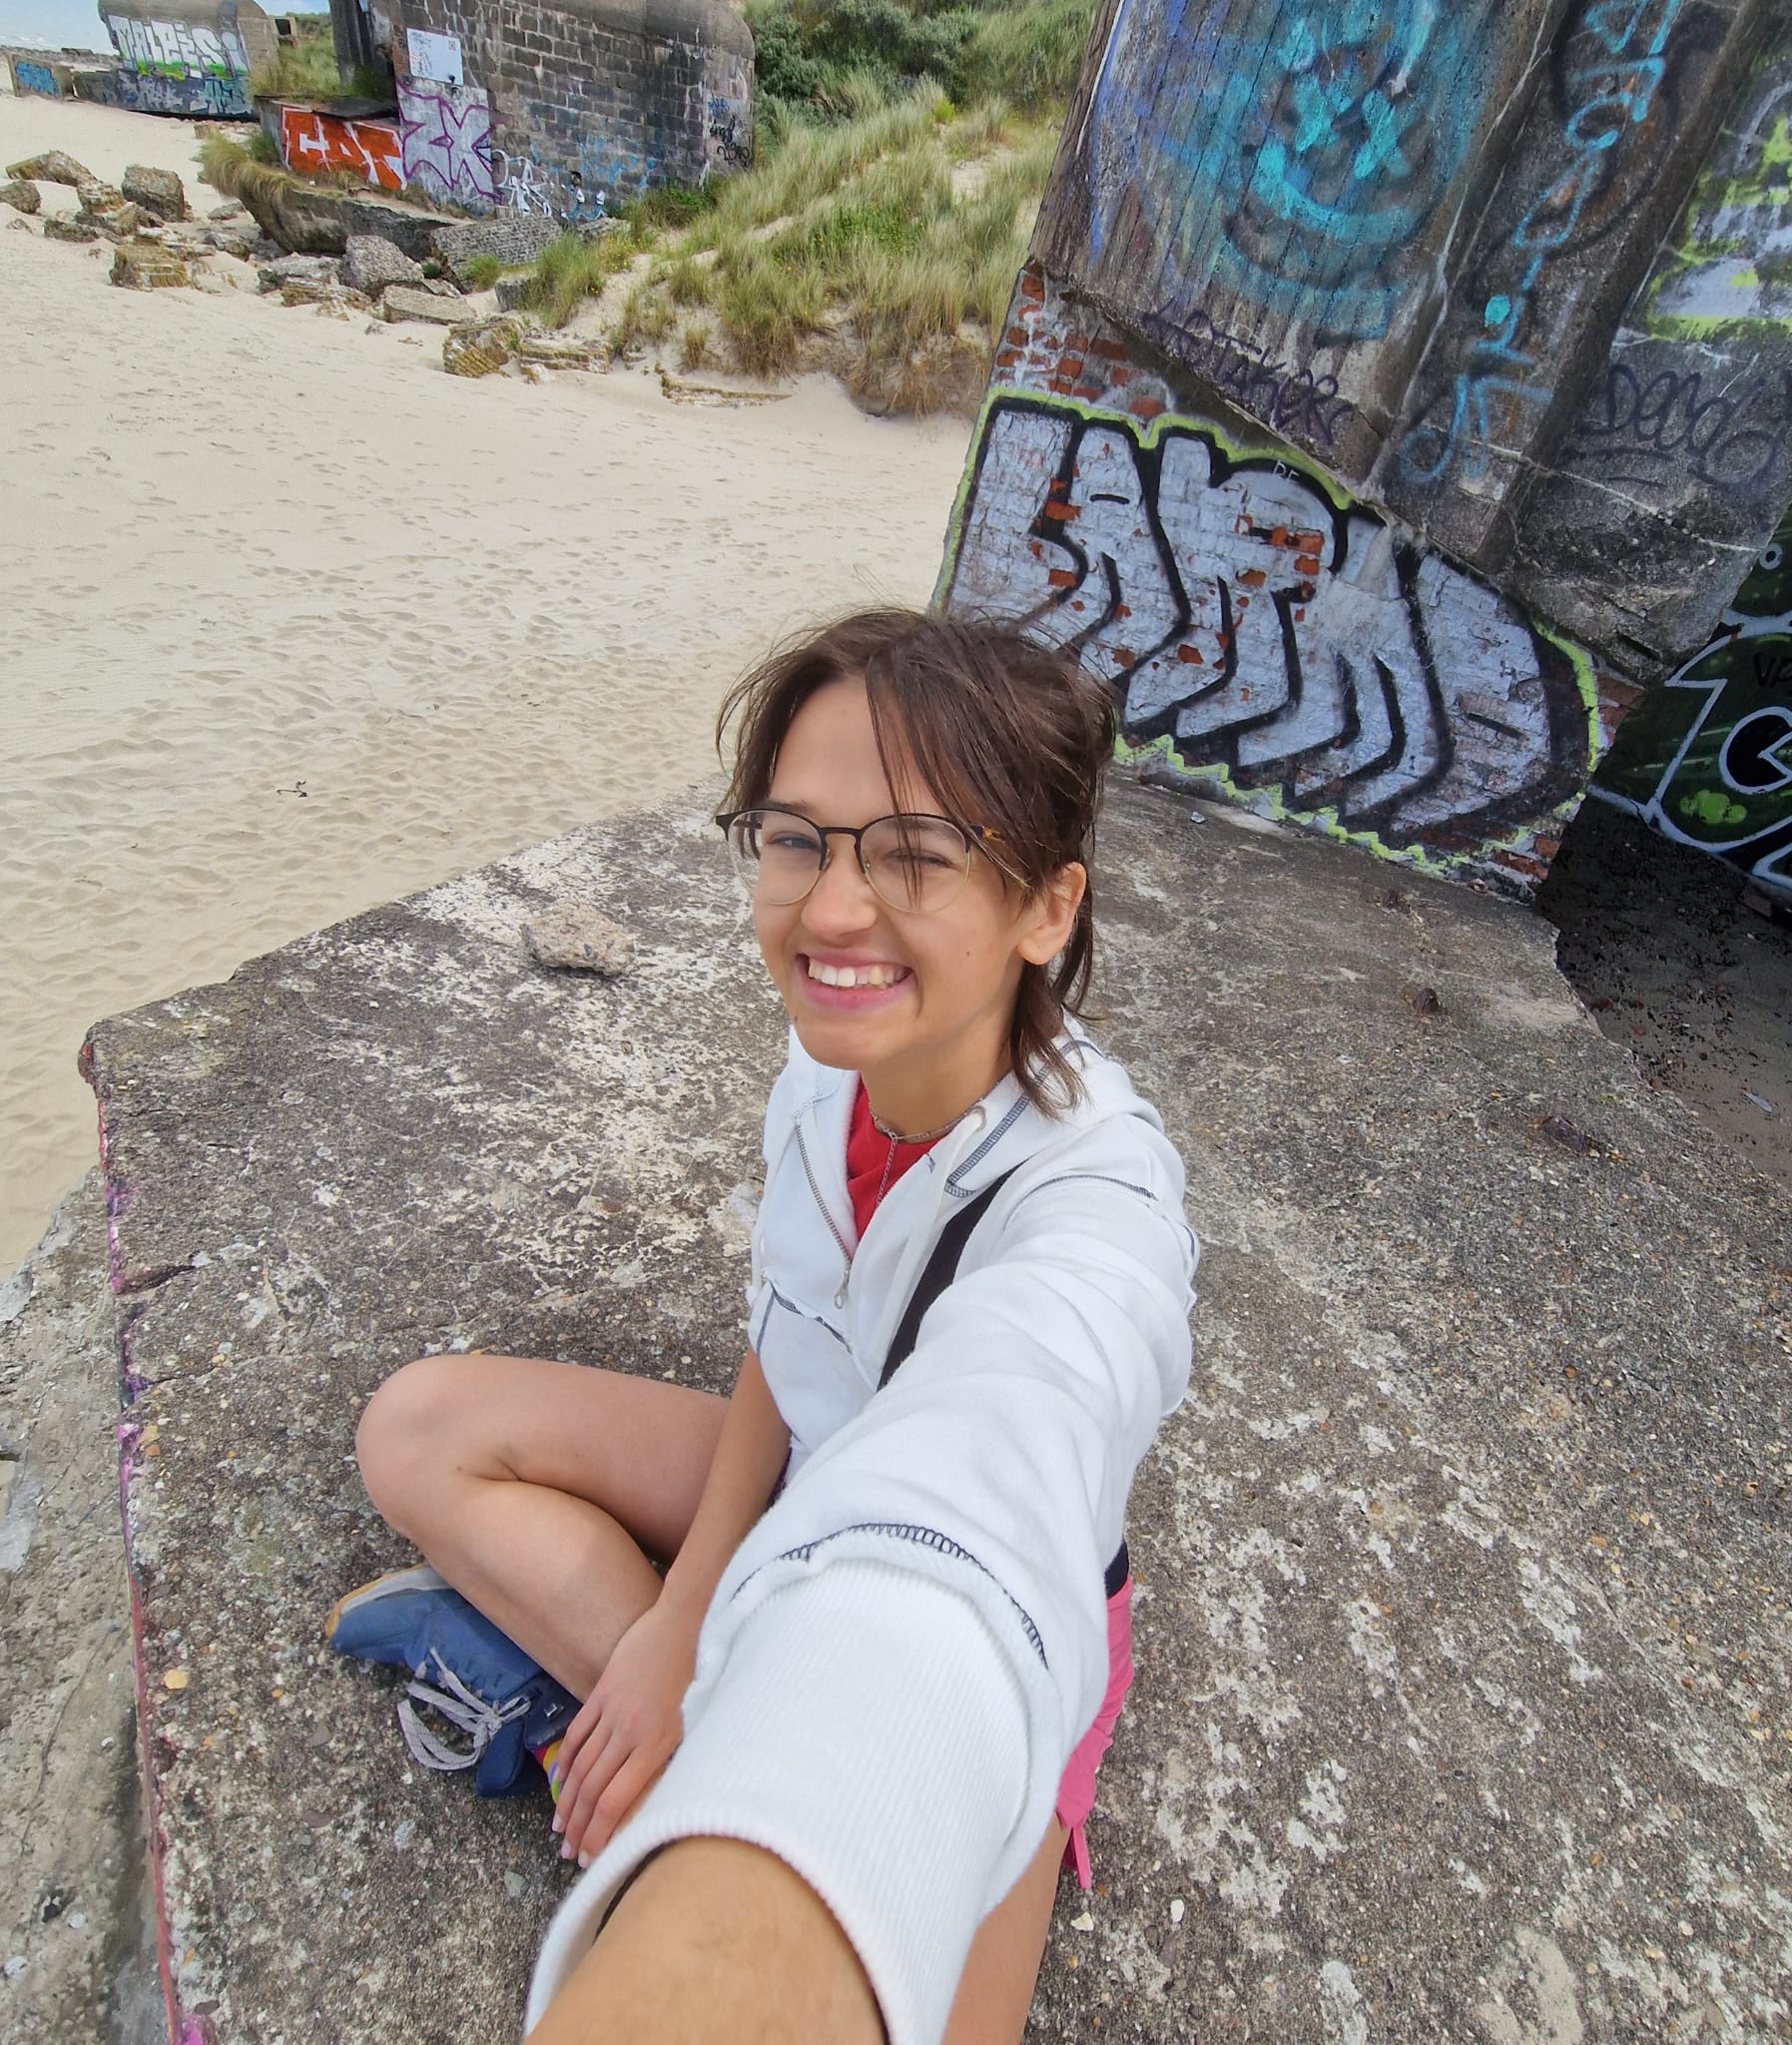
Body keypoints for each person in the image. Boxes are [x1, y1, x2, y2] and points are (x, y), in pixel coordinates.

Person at [326, 609, 1197, 2045]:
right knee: (417, 1427)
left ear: (1046, 907)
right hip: (806, 1460)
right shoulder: (828, 1069)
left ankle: (565, 1713)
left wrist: (766, 1724)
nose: (833, 910)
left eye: (916, 852)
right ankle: (621, 1703)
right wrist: (677, 1625)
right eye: (797, 837)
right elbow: (784, 1348)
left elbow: (987, 1487)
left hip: (959, 1607)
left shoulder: (1095, 1205)